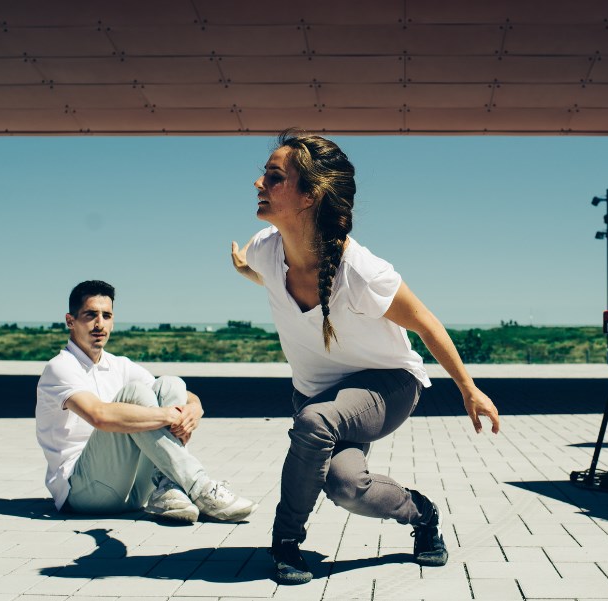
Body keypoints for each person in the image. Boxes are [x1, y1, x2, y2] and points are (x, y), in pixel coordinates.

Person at [230, 131, 501, 585]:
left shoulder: (362, 273)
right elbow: (274, 282)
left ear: (309, 195)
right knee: (345, 487)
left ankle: (285, 544)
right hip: (319, 395)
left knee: (315, 422)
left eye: (274, 177)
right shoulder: (265, 249)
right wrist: (246, 269)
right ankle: (422, 514)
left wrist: (469, 390)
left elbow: (427, 324)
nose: (258, 183)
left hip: (387, 385)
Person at [35, 280, 257, 523]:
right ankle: (199, 485)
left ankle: (169, 488)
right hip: (84, 492)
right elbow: (98, 415)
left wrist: (195, 408)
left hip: (133, 492)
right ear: (70, 321)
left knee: (170, 383)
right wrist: (170, 416)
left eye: (106, 315)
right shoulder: (60, 368)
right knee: (134, 395)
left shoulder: (118, 365)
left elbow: (183, 396)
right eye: (90, 315)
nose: (99, 323)